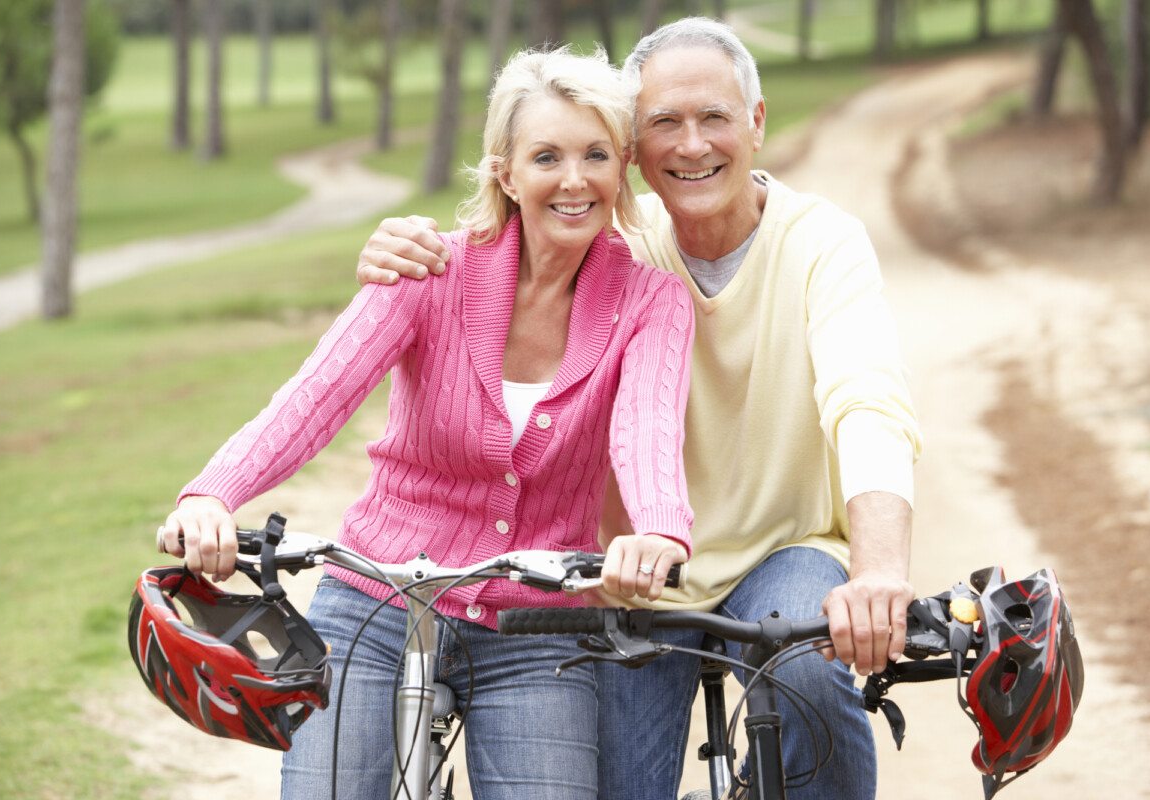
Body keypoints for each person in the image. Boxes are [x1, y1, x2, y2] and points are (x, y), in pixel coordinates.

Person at [354, 17, 921, 800]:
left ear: (755, 122)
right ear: (631, 149)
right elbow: (498, 255)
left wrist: (881, 570)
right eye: (663, 123)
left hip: (782, 552)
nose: (692, 145)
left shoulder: (825, 244)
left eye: (714, 117)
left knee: (810, 676)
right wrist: (401, 247)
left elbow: (868, 405)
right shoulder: (610, 244)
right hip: (627, 576)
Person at [158, 47, 696, 800]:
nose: (574, 180)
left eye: (595, 155)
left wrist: (660, 530)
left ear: (623, 167)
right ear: (506, 171)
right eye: (547, 156)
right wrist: (211, 495)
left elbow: (647, 433)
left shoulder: (652, 303)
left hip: (534, 630)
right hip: (376, 597)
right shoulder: (426, 272)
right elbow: (314, 399)